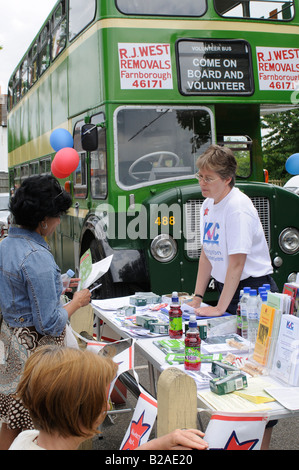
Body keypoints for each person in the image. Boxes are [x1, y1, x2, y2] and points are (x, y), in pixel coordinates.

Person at [0, 175, 91, 449]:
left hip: (11, 342)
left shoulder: (6, 244)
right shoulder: (37, 255)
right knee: (37, 426)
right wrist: (77, 301)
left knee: (12, 419)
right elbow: (49, 323)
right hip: (35, 352)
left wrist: (56, 285)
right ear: (43, 220)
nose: (58, 222)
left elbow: (20, 292)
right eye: (57, 216)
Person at [9, 346, 209, 451]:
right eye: (104, 401)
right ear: (80, 413)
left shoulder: (28, 438)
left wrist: (162, 443)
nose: (107, 406)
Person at [188, 144, 278, 317]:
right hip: (228, 288)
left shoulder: (237, 207)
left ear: (227, 179)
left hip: (252, 291)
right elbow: (207, 254)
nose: (201, 183)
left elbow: (237, 263)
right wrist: (198, 297)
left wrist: (219, 308)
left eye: (208, 178)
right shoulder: (207, 204)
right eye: (200, 176)